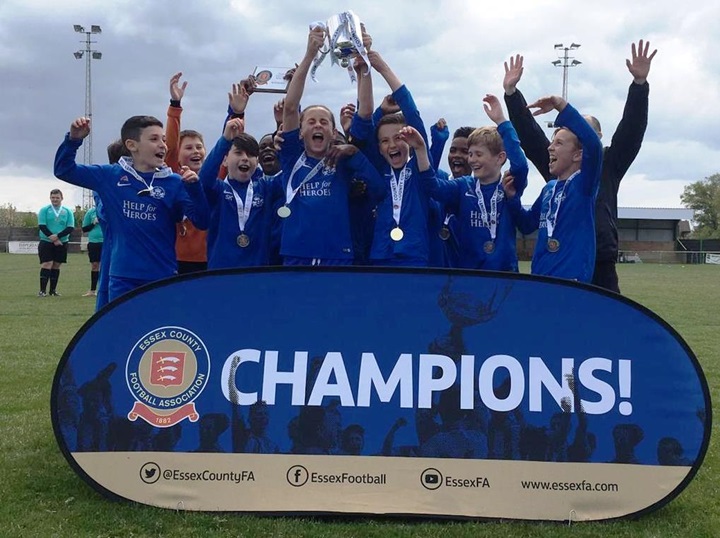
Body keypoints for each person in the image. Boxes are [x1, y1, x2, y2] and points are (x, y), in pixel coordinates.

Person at [503, 40, 657, 292]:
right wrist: (512, 96)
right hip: (561, 263)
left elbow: (632, 129)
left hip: (600, 261)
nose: (579, 135)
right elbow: (531, 137)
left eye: (585, 131)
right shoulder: (558, 170)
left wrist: (639, 85)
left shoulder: (608, 163)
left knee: (605, 316)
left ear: (597, 137)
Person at [54, 115, 209, 301]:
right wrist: (73, 140)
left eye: (163, 140)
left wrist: (195, 189)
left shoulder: (175, 182)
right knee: (123, 321)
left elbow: (202, 221)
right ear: (132, 145)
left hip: (163, 277)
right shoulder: (110, 176)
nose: (162, 145)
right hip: (123, 279)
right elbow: (64, 170)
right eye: (154, 139)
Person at [278, 26, 385, 266]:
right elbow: (290, 107)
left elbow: (379, 190)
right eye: (311, 122)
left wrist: (355, 154)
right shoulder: (291, 157)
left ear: (333, 132)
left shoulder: (343, 161)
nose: (318, 125)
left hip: (338, 255)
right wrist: (310, 54)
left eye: (324, 122)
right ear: (301, 132)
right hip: (297, 255)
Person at [423, 95, 528, 271]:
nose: (472, 160)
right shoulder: (463, 186)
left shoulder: (509, 185)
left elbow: (521, 165)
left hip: (505, 275)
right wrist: (422, 150)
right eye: (470, 154)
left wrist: (502, 122)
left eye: (478, 154)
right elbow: (432, 186)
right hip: (469, 275)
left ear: (500, 158)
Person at [351, 48, 435, 267]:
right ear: (379, 148)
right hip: (379, 255)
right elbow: (363, 127)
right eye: (385, 141)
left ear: (410, 140)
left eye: (399, 138)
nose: (392, 145)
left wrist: (383, 68)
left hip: (414, 256)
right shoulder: (378, 169)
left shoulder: (419, 169)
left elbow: (413, 115)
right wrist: (379, 108)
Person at [505, 96, 603, 283]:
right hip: (540, 279)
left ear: (578, 155)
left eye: (559, 143)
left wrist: (561, 105)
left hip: (571, 282)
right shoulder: (549, 189)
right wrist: (513, 199)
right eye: (552, 142)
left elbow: (593, 146)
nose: (550, 148)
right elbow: (527, 225)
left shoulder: (584, 184)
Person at [199, 118, 283, 268]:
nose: (245, 158)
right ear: (225, 160)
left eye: (251, 155)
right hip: (221, 274)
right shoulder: (217, 190)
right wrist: (225, 140)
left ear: (257, 162)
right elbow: (204, 178)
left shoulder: (266, 188)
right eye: (238, 153)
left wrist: (290, 116)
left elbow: (290, 173)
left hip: (258, 274)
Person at [166, 72, 209, 274]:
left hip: (208, 257)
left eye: (199, 147)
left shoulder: (212, 177)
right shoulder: (172, 175)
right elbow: (170, 146)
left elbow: (229, 141)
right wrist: (175, 105)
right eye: (189, 148)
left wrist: (237, 114)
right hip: (176, 258)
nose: (196, 152)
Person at [37, 189, 74, 296]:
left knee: (56, 265)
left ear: (62, 198)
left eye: (57, 197)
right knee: (47, 263)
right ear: (50, 198)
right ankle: (42, 291)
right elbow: (42, 226)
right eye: (53, 197)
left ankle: (53, 291)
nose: (55, 199)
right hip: (46, 241)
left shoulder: (68, 211)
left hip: (62, 242)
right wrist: (52, 238)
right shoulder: (44, 210)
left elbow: (70, 227)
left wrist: (57, 237)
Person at [81, 204, 103, 296]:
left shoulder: (110, 209)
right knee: (95, 265)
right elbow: (84, 229)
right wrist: (93, 223)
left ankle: (104, 289)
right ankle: (93, 290)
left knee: (107, 266)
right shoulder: (91, 212)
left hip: (108, 242)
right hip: (94, 242)